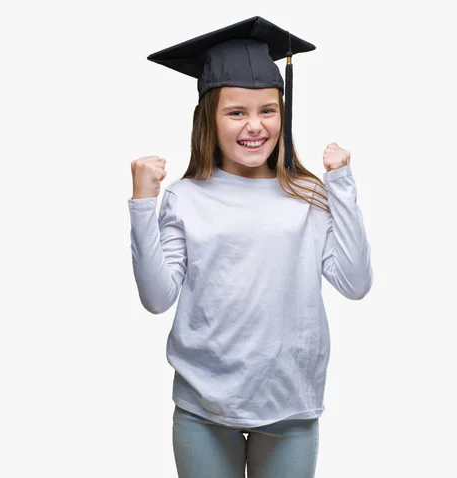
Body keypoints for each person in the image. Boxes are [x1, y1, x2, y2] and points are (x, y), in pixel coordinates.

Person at [128, 16, 373, 478]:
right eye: (236, 112)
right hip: (204, 407)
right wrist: (144, 202)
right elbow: (156, 298)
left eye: (268, 110)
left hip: (290, 405)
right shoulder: (186, 197)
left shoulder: (308, 195)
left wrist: (340, 184)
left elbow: (356, 283)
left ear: (284, 113)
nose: (255, 126)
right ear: (209, 117)